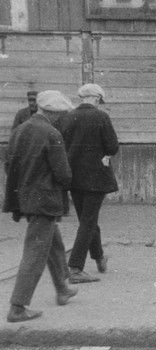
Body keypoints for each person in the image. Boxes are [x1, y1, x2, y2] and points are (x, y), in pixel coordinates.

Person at [2, 90, 78, 323]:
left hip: (25, 198)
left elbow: (8, 164)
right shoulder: (51, 133)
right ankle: (18, 306)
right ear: (53, 113)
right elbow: (64, 175)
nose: (62, 118)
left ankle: (62, 288)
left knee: (53, 243)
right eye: (61, 114)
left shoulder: (20, 130)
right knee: (35, 253)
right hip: (45, 200)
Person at [59, 83, 119, 284]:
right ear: (95, 98)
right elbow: (112, 147)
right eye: (99, 100)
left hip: (73, 177)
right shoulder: (101, 117)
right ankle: (75, 267)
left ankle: (100, 258)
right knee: (88, 221)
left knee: (87, 219)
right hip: (95, 178)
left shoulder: (66, 117)